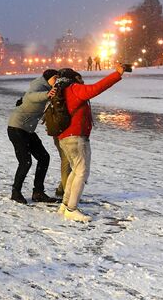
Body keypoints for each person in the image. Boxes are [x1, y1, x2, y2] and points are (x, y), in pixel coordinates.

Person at [55, 65, 124, 222]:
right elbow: (96, 88)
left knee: (75, 170)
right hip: (76, 137)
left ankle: (65, 206)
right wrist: (117, 74)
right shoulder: (74, 88)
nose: (82, 80)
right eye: (80, 78)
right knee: (82, 172)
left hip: (65, 137)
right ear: (74, 78)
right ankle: (71, 209)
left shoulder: (60, 91)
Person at [7, 69, 60, 204]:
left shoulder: (49, 88)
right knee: (25, 161)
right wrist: (47, 95)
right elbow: (32, 96)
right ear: (48, 78)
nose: (56, 81)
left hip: (27, 129)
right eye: (55, 78)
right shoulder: (39, 87)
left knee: (44, 157)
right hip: (17, 128)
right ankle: (16, 192)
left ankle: (38, 192)